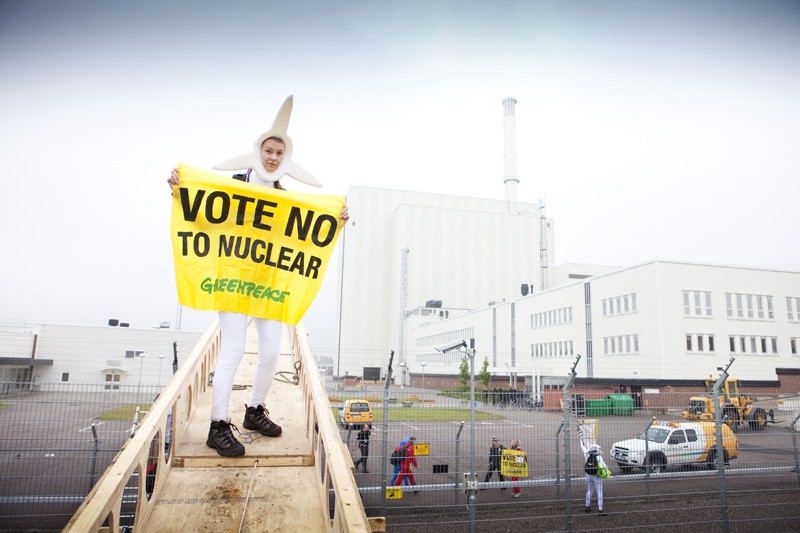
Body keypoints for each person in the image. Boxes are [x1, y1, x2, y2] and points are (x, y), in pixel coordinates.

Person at [167, 135, 349, 457]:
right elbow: (205, 212)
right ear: (258, 152)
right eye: (268, 151)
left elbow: (302, 237)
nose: (273, 157)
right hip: (233, 282)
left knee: (272, 352)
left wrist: (334, 221)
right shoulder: (234, 186)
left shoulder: (284, 199)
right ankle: (218, 425)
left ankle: (254, 410)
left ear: (286, 158)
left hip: (267, 286)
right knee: (234, 348)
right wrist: (182, 190)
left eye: (279, 152)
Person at [579, 428, 608, 516]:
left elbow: (582, 447)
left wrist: (581, 437)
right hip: (597, 476)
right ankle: (600, 509)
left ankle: (587, 506)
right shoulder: (599, 457)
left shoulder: (586, 454)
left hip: (588, 475)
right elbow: (604, 467)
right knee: (599, 492)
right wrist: (606, 472)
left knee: (589, 490)